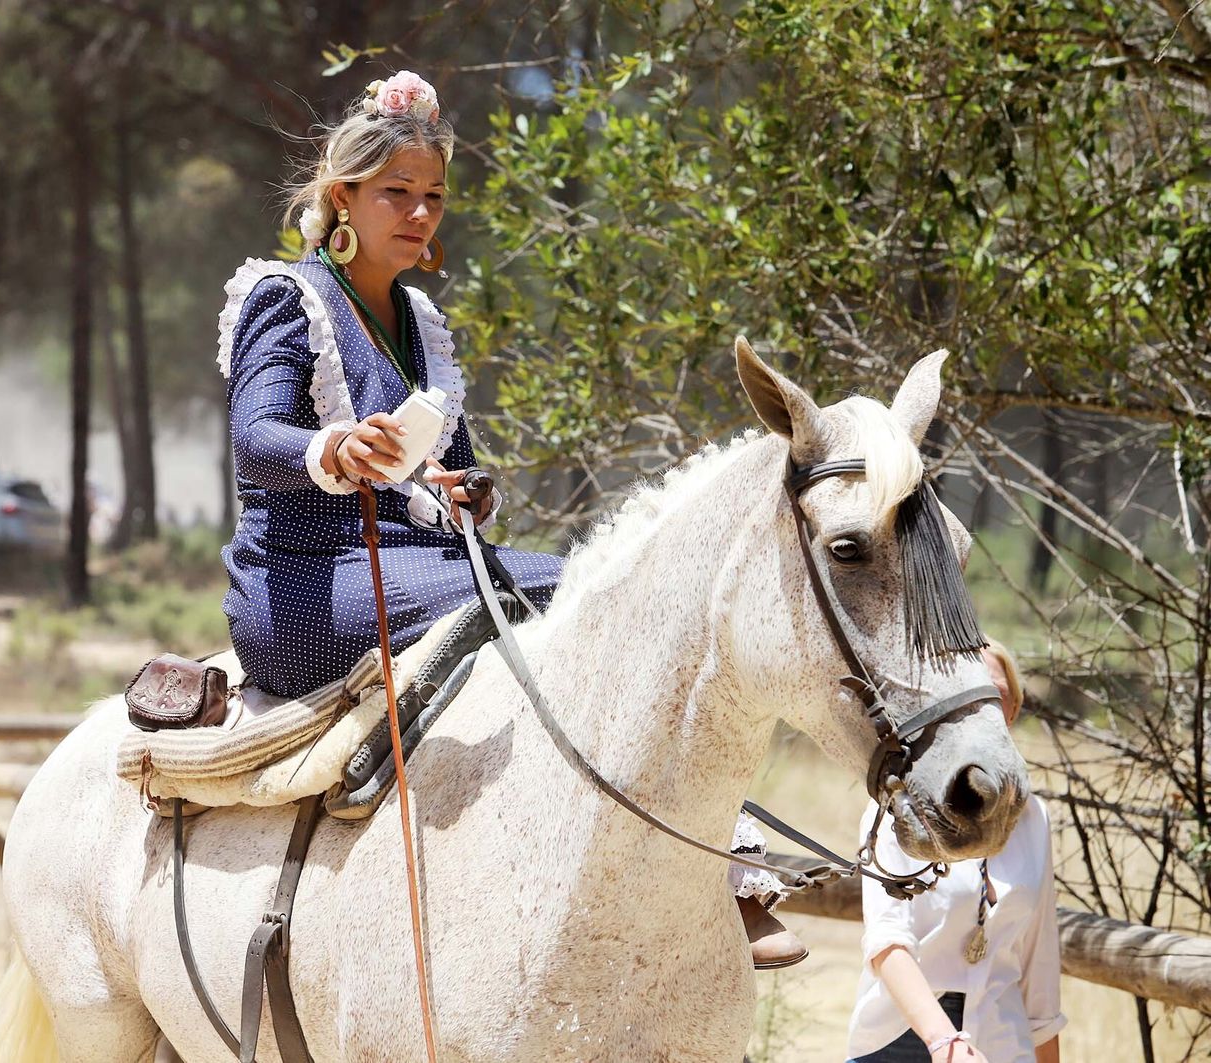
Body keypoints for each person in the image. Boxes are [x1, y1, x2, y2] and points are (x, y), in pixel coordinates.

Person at [216, 69, 803, 969]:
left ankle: (679, 856)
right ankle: (721, 866)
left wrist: (465, 491)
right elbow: (255, 437)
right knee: (586, 589)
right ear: (343, 197)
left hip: (418, 561)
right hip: (302, 586)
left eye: (433, 196)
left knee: (586, 588)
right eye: (396, 193)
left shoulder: (418, 319)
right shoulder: (283, 297)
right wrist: (332, 449)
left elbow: (458, 460)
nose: (419, 214)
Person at [848, 640, 1064, 1063]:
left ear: (1014, 710)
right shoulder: (898, 805)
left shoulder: (1034, 815)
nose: (982, 705)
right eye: (968, 690)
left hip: (1003, 1039)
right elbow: (886, 941)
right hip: (900, 1036)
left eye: (996, 694)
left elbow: (1040, 965)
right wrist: (944, 1043)